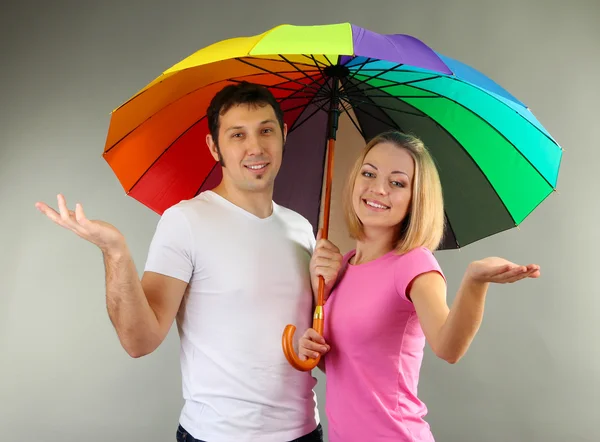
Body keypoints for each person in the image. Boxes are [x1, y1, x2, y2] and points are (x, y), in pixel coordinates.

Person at [35, 81, 342, 442]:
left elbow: (319, 350)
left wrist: (331, 290)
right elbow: (140, 341)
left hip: (305, 433)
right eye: (237, 135)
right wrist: (115, 252)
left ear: (283, 134)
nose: (255, 146)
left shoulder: (302, 228)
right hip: (216, 436)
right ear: (214, 147)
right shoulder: (186, 221)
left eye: (266, 131)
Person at [298, 130, 541, 442]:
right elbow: (346, 370)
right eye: (369, 173)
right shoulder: (343, 266)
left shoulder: (413, 263)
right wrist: (310, 343)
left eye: (397, 182)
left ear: (416, 199)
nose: (378, 189)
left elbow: (448, 347)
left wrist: (474, 281)